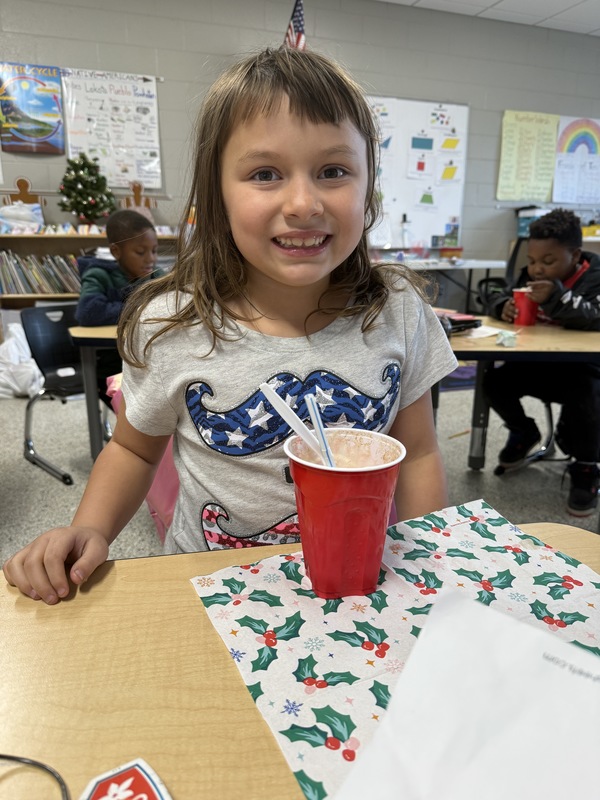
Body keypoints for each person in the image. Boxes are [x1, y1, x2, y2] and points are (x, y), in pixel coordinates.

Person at [3, 47, 457, 605]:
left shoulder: (398, 309)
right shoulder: (170, 324)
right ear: (218, 193)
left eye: (333, 171)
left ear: (369, 186)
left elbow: (420, 453)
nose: (303, 203)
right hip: (216, 593)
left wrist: (432, 559)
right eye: (265, 173)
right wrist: (91, 529)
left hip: (360, 583)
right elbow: (133, 452)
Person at [483, 208, 600, 516]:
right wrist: (502, 307)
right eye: (532, 261)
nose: (536, 270)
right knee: (493, 381)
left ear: (575, 255)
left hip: (582, 370)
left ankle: (586, 467)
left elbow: (593, 316)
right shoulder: (530, 274)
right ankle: (524, 432)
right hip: (536, 364)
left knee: (587, 396)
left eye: (548, 262)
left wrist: (556, 296)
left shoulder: (595, 274)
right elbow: (498, 295)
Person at [76, 209, 160, 405]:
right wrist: (141, 308)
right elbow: (88, 313)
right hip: (111, 366)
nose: (150, 259)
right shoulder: (98, 275)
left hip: (151, 361)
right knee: (142, 413)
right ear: (116, 251)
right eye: (140, 252)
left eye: (154, 251)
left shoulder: (156, 276)